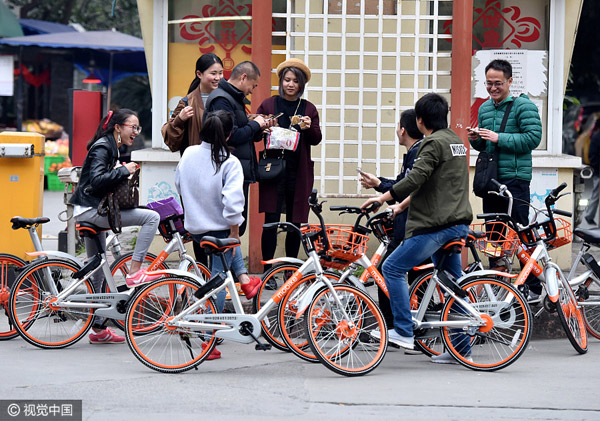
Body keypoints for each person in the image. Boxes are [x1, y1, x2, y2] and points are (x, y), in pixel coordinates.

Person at [361, 93, 473, 365]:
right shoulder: (455, 141)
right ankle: (461, 349)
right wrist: (399, 208)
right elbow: (432, 182)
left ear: (420, 121)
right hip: (457, 221)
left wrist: (383, 197)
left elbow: (415, 178)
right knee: (453, 288)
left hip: (437, 225)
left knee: (392, 268)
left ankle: (402, 330)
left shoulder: (432, 143)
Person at [175, 110, 263, 360]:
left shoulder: (189, 153)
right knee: (218, 282)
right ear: (229, 134)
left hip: (195, 226)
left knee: (216, 276)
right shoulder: (229, 161)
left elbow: (179, 184)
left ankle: (245, 281)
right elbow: (234, 204)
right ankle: (209, 340)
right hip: (218, 229)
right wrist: (235, 232)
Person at [70, 108, 161, 344]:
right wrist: (123, 170)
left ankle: (98, 329)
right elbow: (98, 180)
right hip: (92, 210)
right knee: (151, 218)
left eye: (138, 128)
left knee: (97, 271)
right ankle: (135, 272)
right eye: (133, 126)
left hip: (89, 209)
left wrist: (120, 170)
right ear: (118, 127)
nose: (136, 132)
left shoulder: (110, 145)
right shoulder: (103, 146)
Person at [468, 59, 542, 297]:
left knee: (521, 232)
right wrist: (475, 138)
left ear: (510, 81)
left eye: (498, 83)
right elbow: (485, 146)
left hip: (516, 180)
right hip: (492, 180)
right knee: (494, 234)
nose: (492, 88)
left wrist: (499, 138)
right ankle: (499, 285)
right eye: (488, 83)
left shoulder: (524, 106)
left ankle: (533, 285)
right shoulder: (484, 108)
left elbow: (533, 139)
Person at [358, 109, 423, 332]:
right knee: (414, 276)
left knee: (388, 270)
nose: (397, 130)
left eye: (397, 126)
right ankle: (404, 324)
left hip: (410, 226)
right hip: (410, 225)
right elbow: (400, 186)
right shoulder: (415, 152)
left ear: (403, 130)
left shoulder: (417, 154)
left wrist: (381, 192)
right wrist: (379, 184)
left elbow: (405, 190)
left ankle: (394, 326)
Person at [257, 58, 322, 269]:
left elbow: (316, 139)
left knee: (296, 223)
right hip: (273, 170)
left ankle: (291, 270)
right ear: (281, 81)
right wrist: (263, 127)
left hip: (298, 170)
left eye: (295, 81)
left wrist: (308, 126)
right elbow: (256, 135)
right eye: (286, 80)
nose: (290, 84)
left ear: (301, 84)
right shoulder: (269, 104)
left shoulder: (308, 108)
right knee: (271, 221)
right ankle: (268, 269)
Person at [161, 53, 224, 267]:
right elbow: (170, 140)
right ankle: (202, 268)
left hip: (220, 169)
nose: (217, 78)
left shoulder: (225, 98)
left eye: (220, 73)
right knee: (197, 222)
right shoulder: (187, 102)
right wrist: (179, 119)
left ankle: (217, 270)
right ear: (199, 74)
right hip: (195, 173)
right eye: (213, 73)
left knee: (218, 221)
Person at [204, 61, 275, 236]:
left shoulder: (232, 98)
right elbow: (231, 136)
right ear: (243, 78)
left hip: (237, 167)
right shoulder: (222, 99)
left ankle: (230, 262)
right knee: (229, 228)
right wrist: (256, 125)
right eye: (253, 85)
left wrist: (259, 129)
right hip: (226, 169)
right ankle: (224, 263)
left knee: (236, 227)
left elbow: (242, 134)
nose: (253, 90)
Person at [584, 122, 600, 226]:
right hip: (598, 171)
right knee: (596, 194)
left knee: (596, 194)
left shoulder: (596, 136)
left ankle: (589, 215)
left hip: (597, 170)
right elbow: (592, 156)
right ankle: (589, 215)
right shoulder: (597, 137)